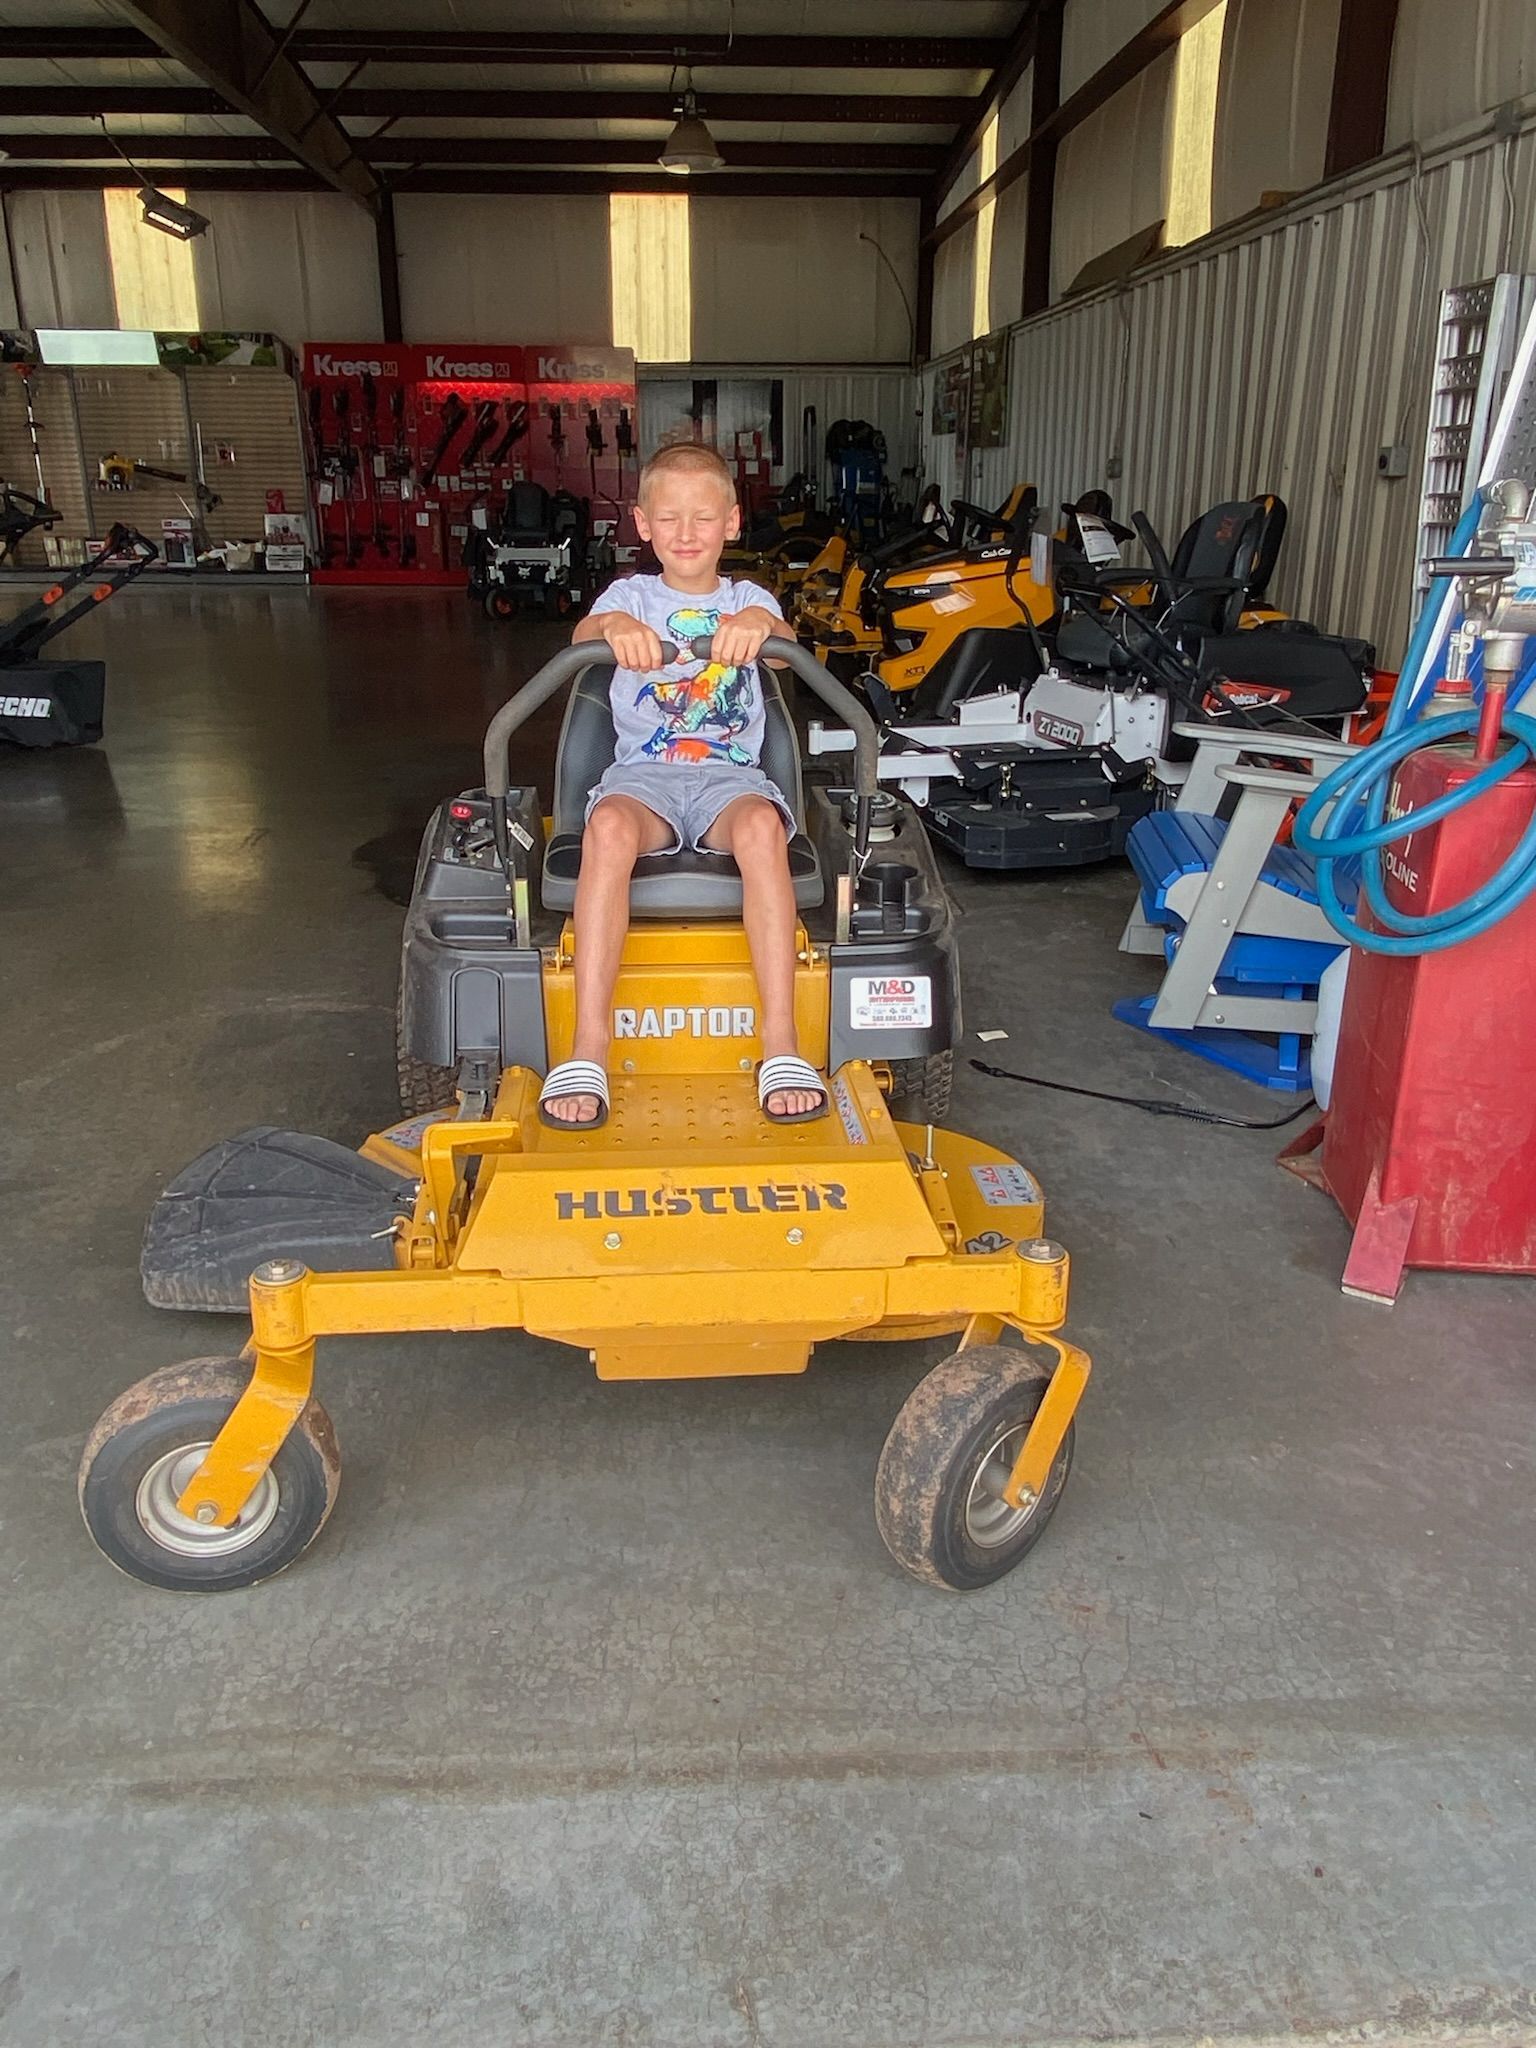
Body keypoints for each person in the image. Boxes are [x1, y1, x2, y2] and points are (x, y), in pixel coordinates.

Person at [537, 441, 828, 1131]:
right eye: (670, 519)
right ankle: (588, 1046)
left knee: (763, 829)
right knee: (607, 827)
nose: (687, 533)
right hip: (645, 778)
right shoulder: (630, 597)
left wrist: (762, 626)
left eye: (703, 518)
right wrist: (612, 629)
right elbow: (585, 630)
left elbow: (784, 644)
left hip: (731, 778)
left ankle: (782, 1043)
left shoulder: (746, 598)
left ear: (731, 522)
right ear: (642, 524)